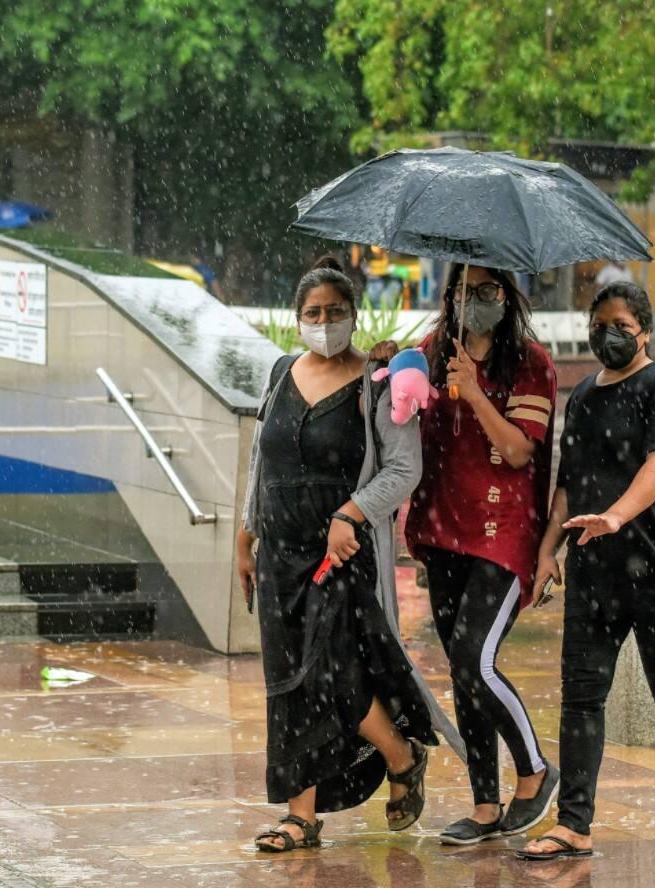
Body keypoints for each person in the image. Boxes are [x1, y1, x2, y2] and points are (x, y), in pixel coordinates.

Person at [520, 281, 655, 861]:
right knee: (581, 696)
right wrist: (548, 549)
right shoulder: (582, 396)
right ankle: (573, 825)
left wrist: (616, 516)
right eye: (600, 323)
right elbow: (567, 480)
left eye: (621, 325)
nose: (609, 334)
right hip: (594, 571)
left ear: (645, 332)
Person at [237, 257, 438, 852]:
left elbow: (405, 468)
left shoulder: (377, 381)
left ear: (352, 314)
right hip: (279, 551)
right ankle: (302, 815)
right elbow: (260, 464)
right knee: (286, 680)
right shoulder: (279, 373)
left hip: (339, 551)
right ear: (297, 318)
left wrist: (351, 514)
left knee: (332, 676)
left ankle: (401, 755)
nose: (323, 322)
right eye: (312, 313)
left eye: (334, 312)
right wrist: (245, 538)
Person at [373, 264, 560, 846]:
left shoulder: (531, 365)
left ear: (508, 297)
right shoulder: (432, 351)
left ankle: (533, 771)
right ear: (448, 295)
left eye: (488, 291)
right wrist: (388, 368)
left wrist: (476, 392)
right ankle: (484, 806)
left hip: (502, 534)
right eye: (464, 290)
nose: (474, 301)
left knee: (476, 661)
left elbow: (518, 450)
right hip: (441, 529)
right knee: (461, 668)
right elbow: (401, 411)